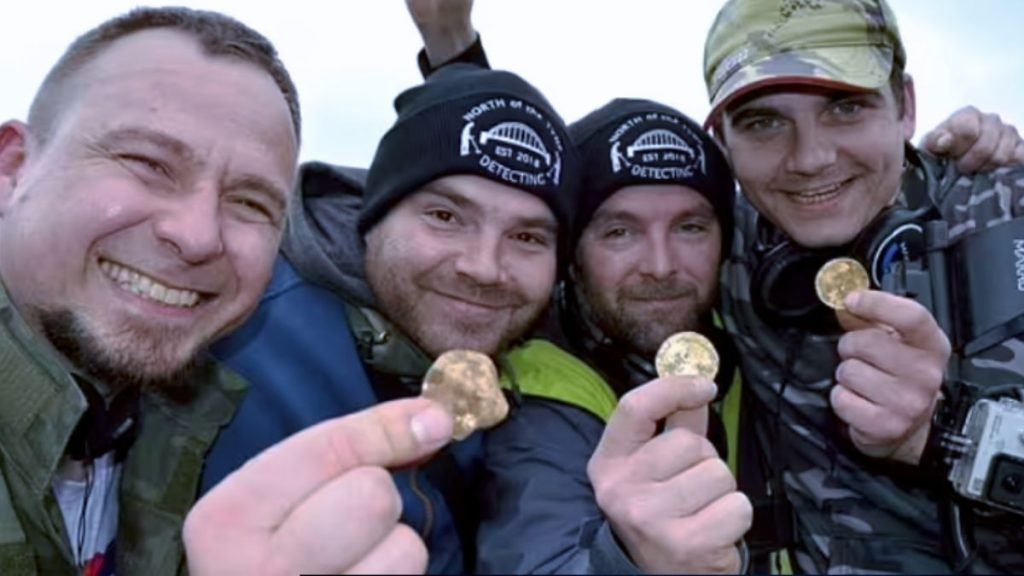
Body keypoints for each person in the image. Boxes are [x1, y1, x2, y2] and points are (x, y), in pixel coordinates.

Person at [199, 60, 584, 574]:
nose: (484, 268)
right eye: (445, 217)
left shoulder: (527, 364)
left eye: (527, 237)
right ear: (375, 214)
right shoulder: (229, 339)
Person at [703, 0, 1024, 572]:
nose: (810, 158)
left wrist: (943, 435)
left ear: (906, 108)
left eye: (846, 107)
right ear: (724, 145)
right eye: (763, 122)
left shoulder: (1007, 212)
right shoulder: (714, 248)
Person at [0, 7, 303, 574]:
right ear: (13, 168)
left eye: (249, 202)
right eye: (148, 164)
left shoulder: (201, 433)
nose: (198, 236)